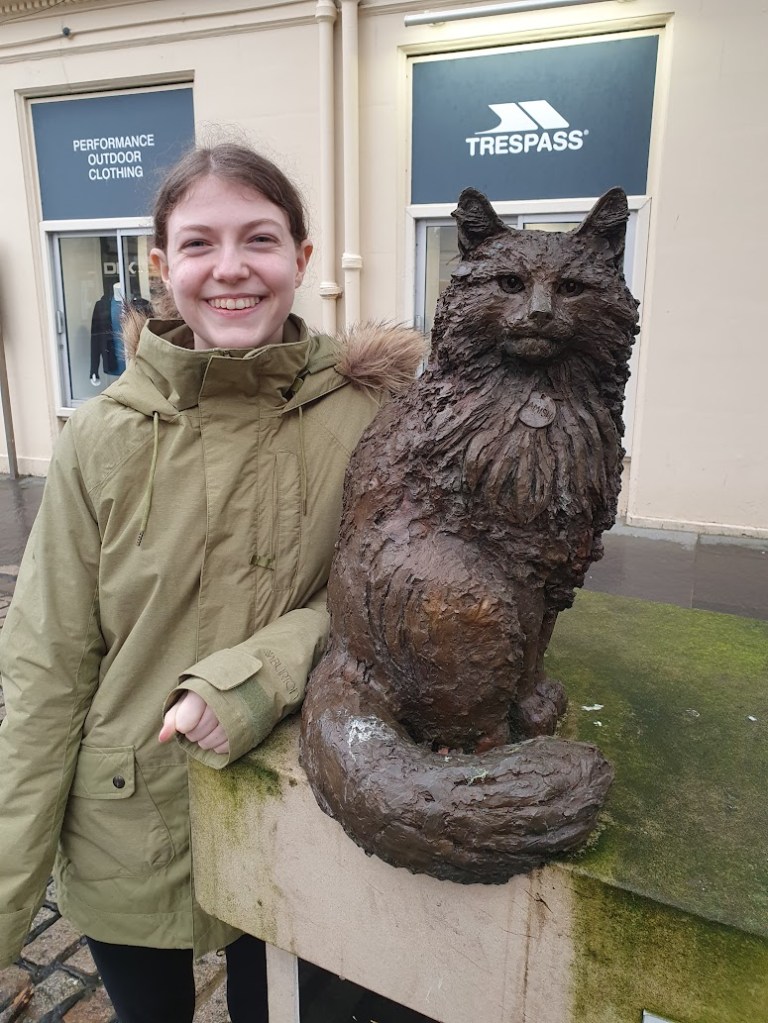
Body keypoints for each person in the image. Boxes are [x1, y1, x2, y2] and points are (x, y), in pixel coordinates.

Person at [0, 143, 425, 1023]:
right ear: (161, 268)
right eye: (198, 244)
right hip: (123, 813)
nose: (230, 269)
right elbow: (46, 667)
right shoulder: (100, 437)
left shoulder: (370, 417)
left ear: (301, 259)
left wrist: (258, 673)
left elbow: (386, 603)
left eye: (259, 239)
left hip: (292, 805)